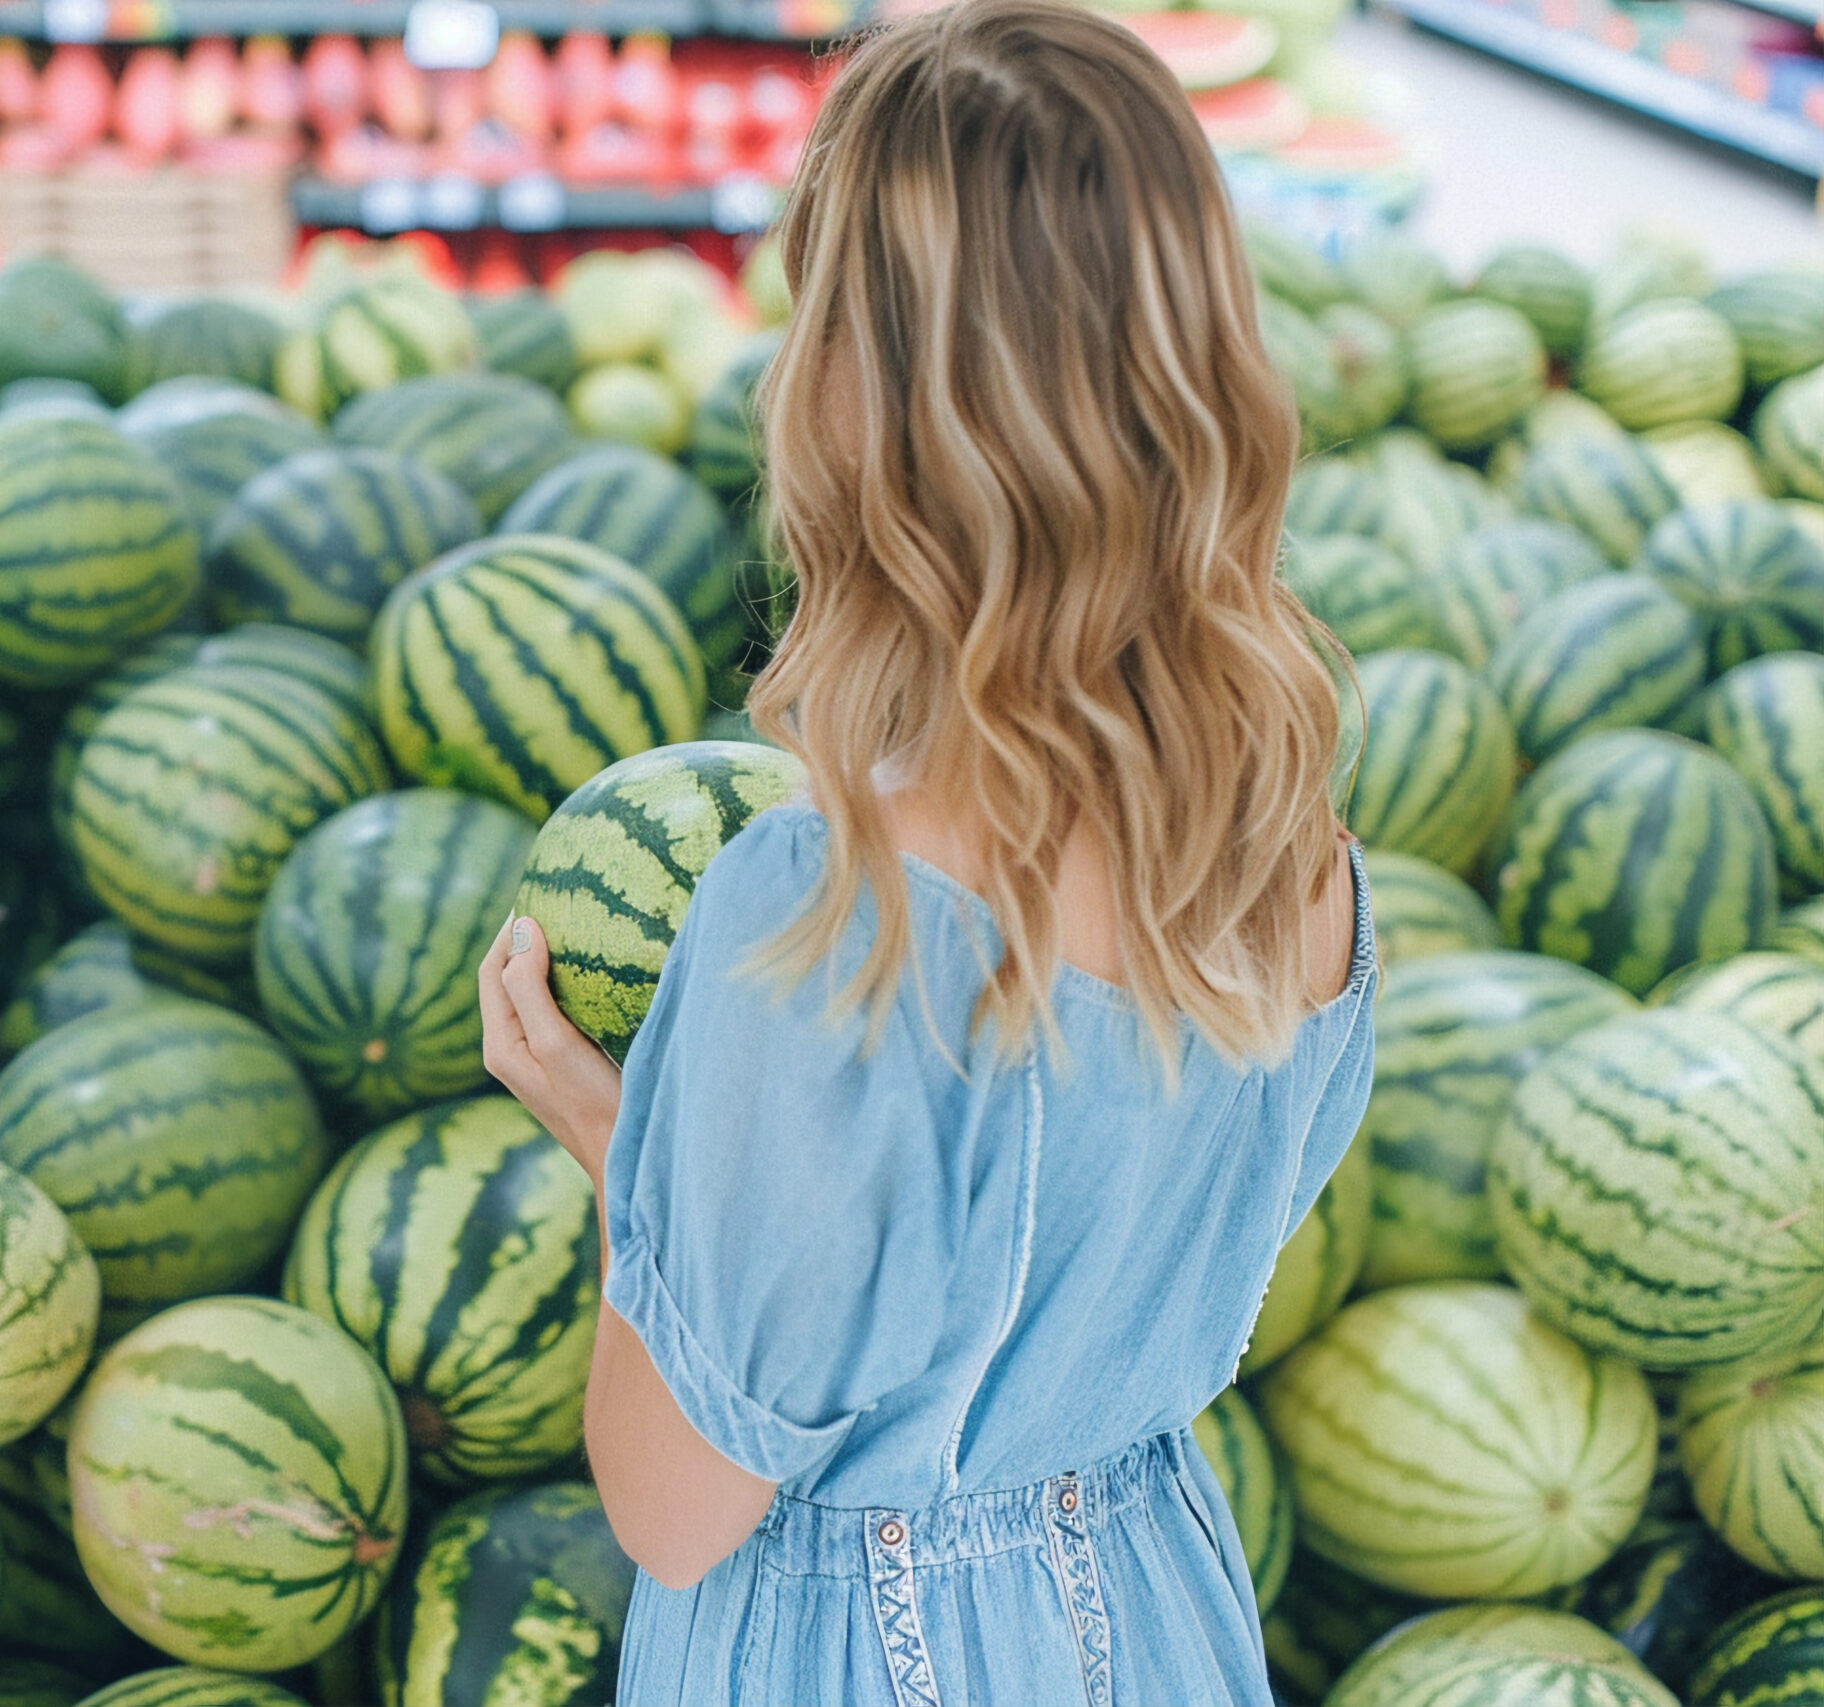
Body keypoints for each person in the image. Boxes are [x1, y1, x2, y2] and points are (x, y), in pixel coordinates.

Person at [474, 3, 1375, 1702]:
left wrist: (625, 1150)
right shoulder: (1291, 847)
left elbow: (672, 1512)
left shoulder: (833, 918)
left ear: (852, 397)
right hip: (1160, 1623)